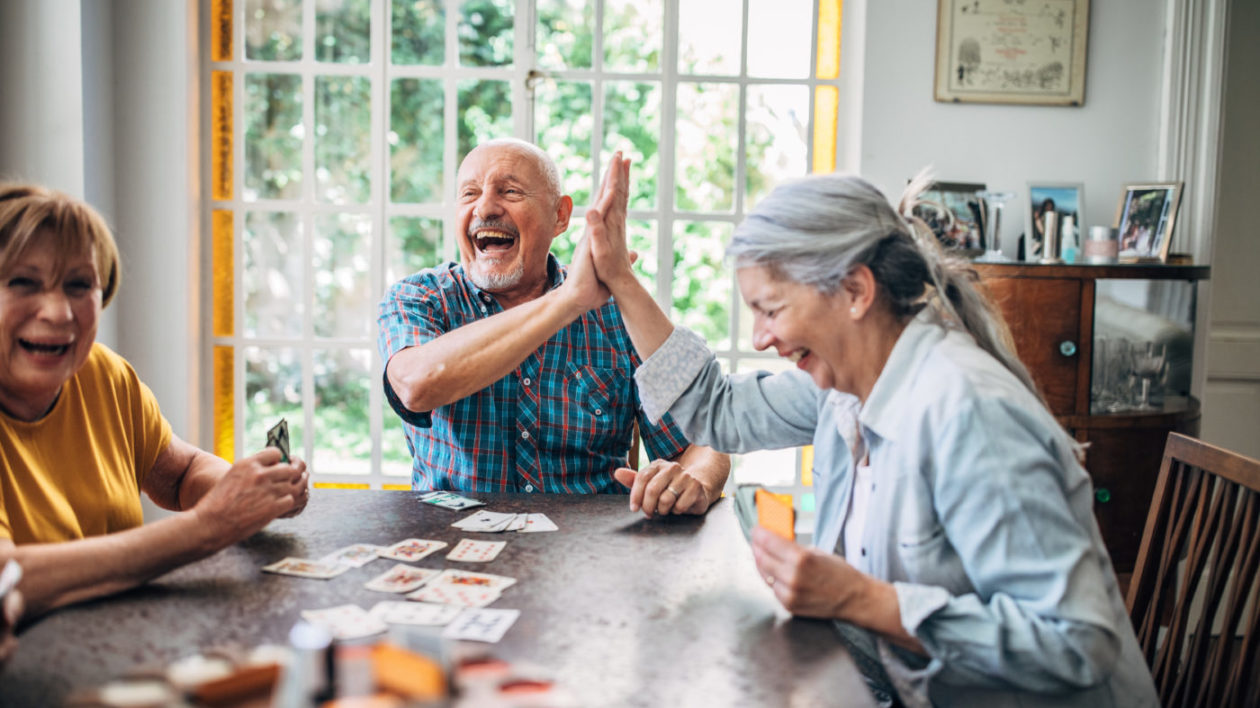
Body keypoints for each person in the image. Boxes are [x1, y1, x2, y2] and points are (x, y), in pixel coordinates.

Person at [584, 163, 1159, 706]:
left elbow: (1077, 643)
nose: (761, 338)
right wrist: (620, 280)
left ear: (857, 292)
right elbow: (719, 409)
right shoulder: (846, 384)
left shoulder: (970, 413)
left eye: (771, 310)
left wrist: (862, 599)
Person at [0, 183, 310, 619]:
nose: (59, 312)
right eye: (23, 283)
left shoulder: (102, 374)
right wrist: (209, 526)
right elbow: (9, 580)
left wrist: (246, 494)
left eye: (78, 285)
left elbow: (181, 475)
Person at [377, 138, 729, 517]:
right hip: (451, 546)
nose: (485, 207)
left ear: (560, 216)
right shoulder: (419, 298)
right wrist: (568, 301)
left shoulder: (620, 314)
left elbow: (702, 440)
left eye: (510, 191)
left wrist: (695, 481)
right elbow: (416, 386)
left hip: (586, 553)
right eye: (469, 193)